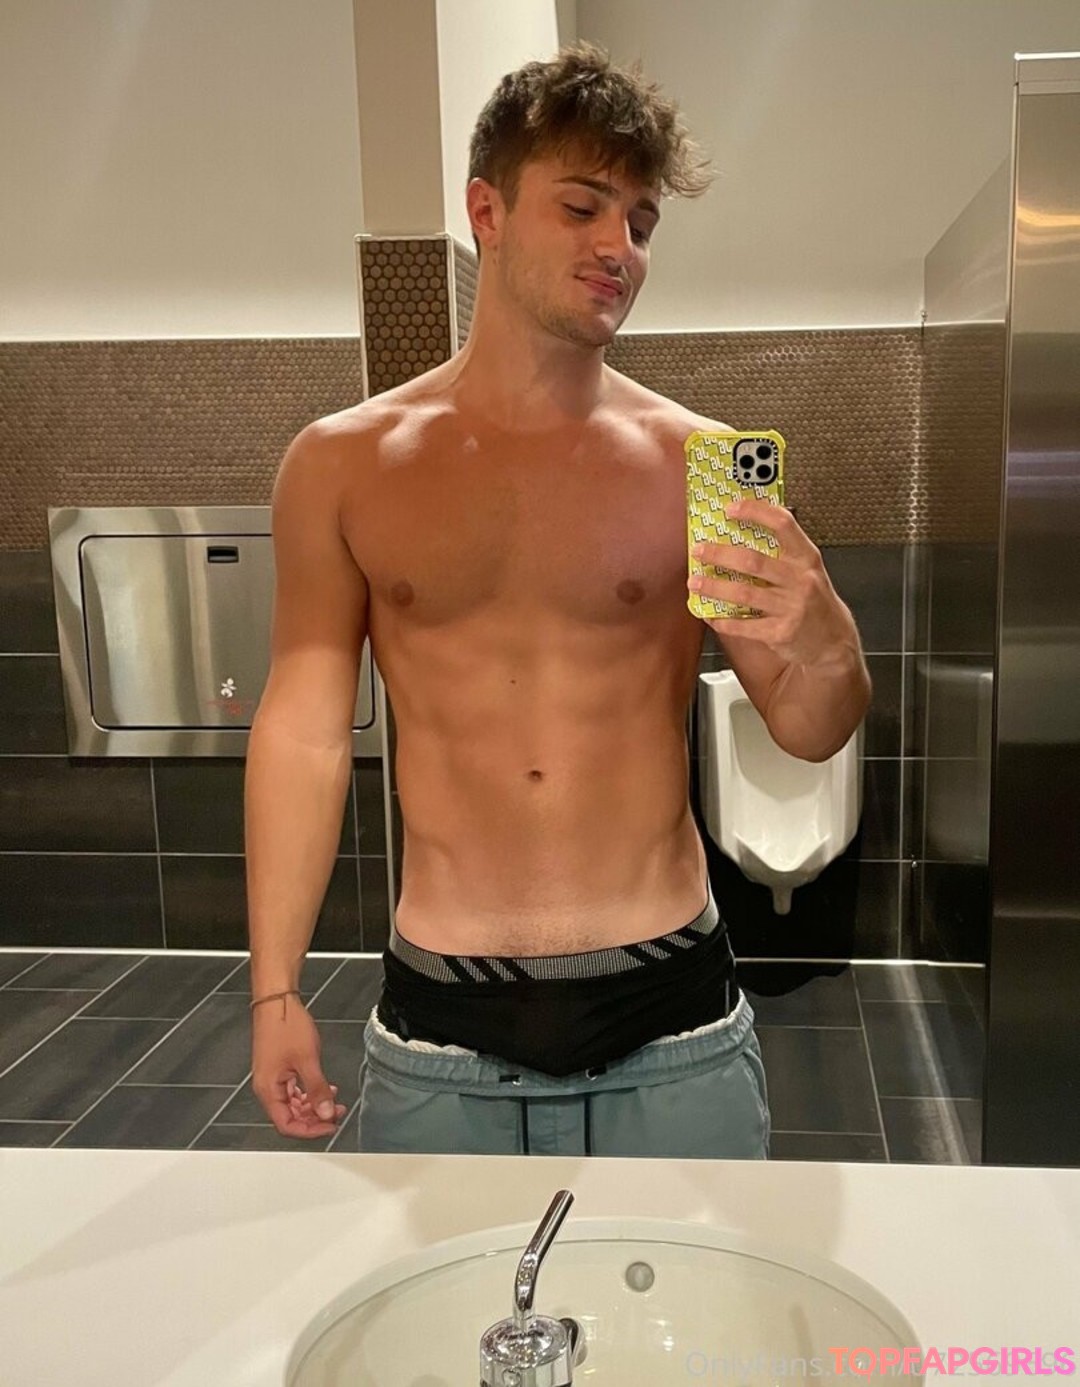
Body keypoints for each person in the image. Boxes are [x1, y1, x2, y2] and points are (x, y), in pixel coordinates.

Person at [246, 42, 870, 1158]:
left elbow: (811, 727)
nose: (618, 247)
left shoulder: (704, 464)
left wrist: (824, 630)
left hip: (673, 1021)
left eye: (640, 222)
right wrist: (274, 986)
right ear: (485, 210)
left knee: (687, 1283)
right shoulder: (340, 465)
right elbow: (303, 729)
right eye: (583, 207)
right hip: (441, 1027)